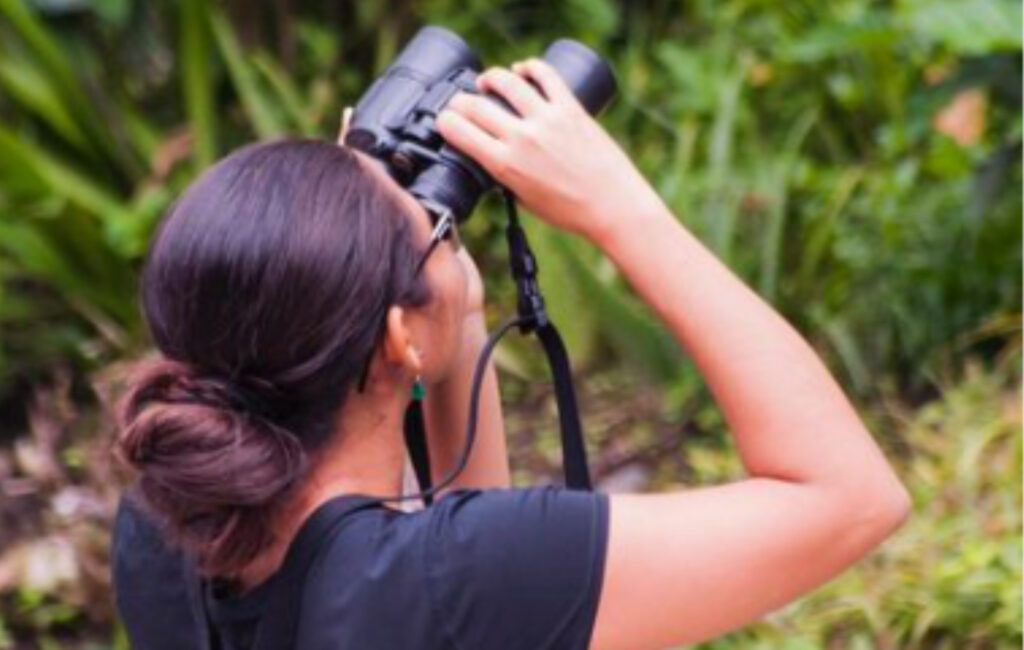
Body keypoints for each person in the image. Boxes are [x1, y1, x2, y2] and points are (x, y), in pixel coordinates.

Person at [111, 58, 910, 650]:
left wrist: (417, 288)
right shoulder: (449, 580)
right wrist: (622, 209)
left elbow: (467, 577)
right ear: (398, 338)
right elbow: (852, 498)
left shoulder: (163, 526)